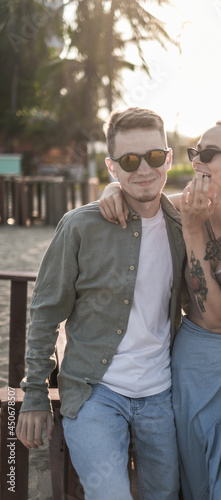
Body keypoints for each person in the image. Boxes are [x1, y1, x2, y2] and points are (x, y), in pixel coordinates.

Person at [99, 118, 221, 498]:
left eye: (210, 153)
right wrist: (111, 189)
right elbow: (136, 193)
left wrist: (192, 230)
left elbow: (219, 314)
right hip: (189, 367)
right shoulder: (179, 209)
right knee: (197, 482)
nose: (197, 161)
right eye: (195, 152)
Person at [16, 107, 185, 500]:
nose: (144, 169)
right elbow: (45, 313)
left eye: (154, 157)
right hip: (94, 392)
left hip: (162, 393)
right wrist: (35, 393)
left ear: (169, 158)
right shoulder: (79, 226)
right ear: (112, 167)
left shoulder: (185, 223)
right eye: (129, 160)